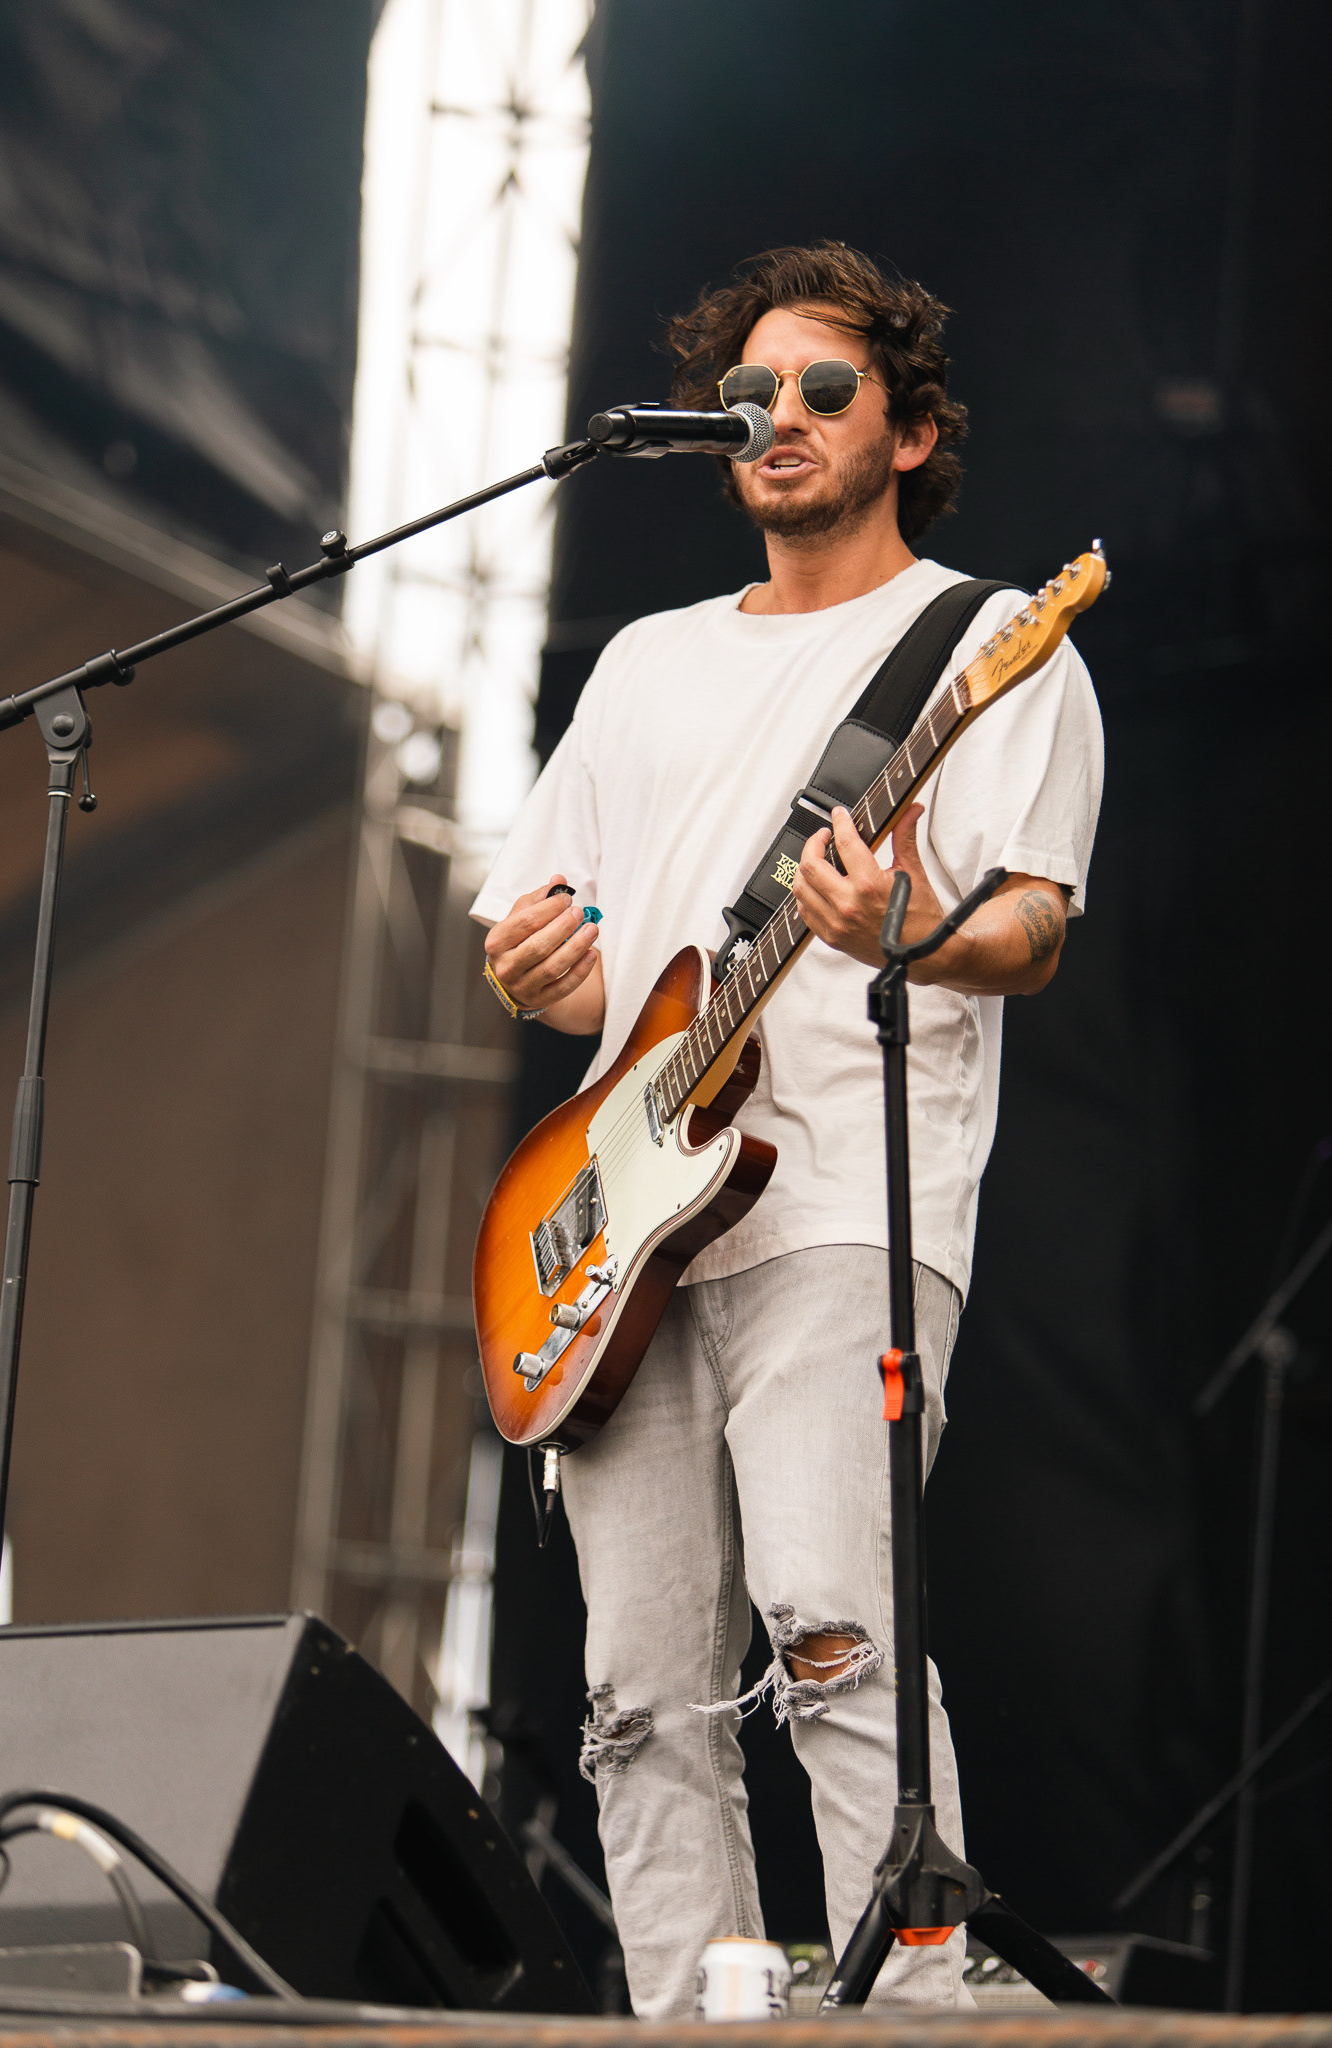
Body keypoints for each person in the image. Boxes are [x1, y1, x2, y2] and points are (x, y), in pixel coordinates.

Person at [470, 241, 1104, 2019]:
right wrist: (534, 973)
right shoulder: (645, 664)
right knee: (631, 1695)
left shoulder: (987, 641)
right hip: (621, 1225)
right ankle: (691, 2019)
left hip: (838, 1202)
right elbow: (565, 960)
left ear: (909, 433)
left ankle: (912, 2016)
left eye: (826, 389)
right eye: (750, 394)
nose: (781, 417)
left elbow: (1032, 928)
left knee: (833, 1628)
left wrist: (903, 928)